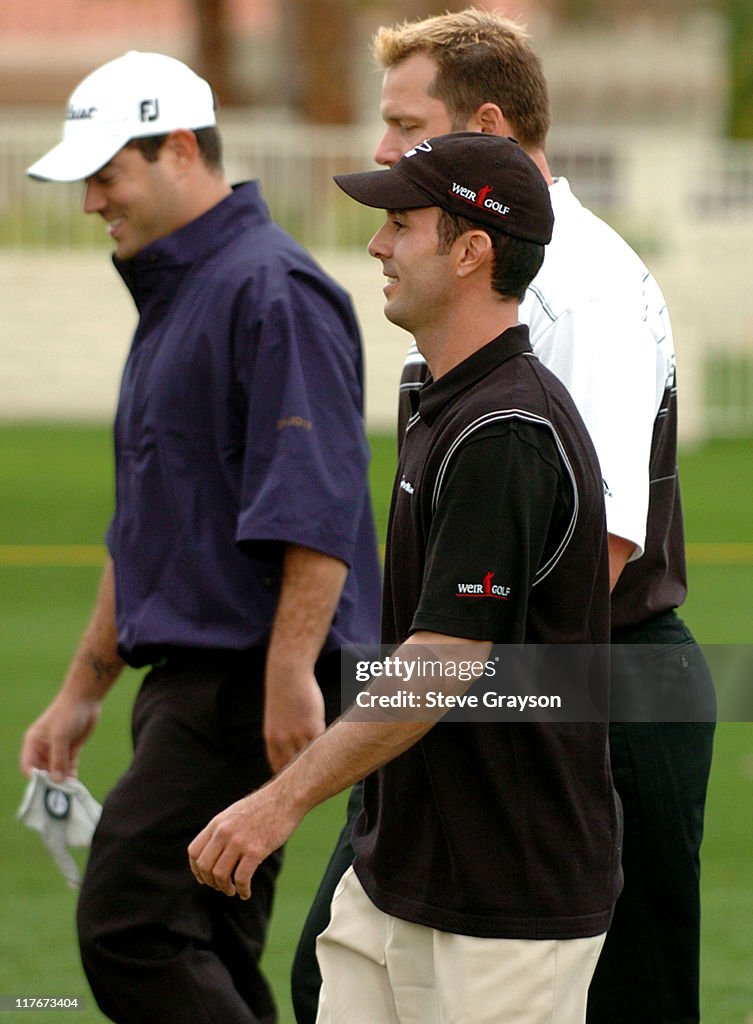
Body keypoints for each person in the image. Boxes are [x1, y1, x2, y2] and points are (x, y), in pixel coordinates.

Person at [291, 11, 716, 1024]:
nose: (383, 152)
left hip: (595, 695)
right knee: (336, 968)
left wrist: (444, 705)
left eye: (404, 124)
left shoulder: (587, 285)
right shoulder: (484, 281)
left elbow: (601, 556)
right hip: (507, 690)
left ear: (485, 122)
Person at [189, 131, 623, 1024]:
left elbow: (444, 659)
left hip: (504, 906)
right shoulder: (441, 395)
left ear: (472, 249)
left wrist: (281, 802)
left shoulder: (506, 430)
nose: (377, 246)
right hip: (401, 876)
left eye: (400, 224)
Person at [19, 50, 382, 1024]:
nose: (93, 201)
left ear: (180, 148)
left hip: (246, 684)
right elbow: (150, 519)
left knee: (129, 922)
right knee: (206, 935)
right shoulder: (185, 291)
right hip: (199, 682)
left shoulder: (270, 289)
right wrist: (81, 690)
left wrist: (289, 672)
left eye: (108, 173)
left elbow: (317, 497)